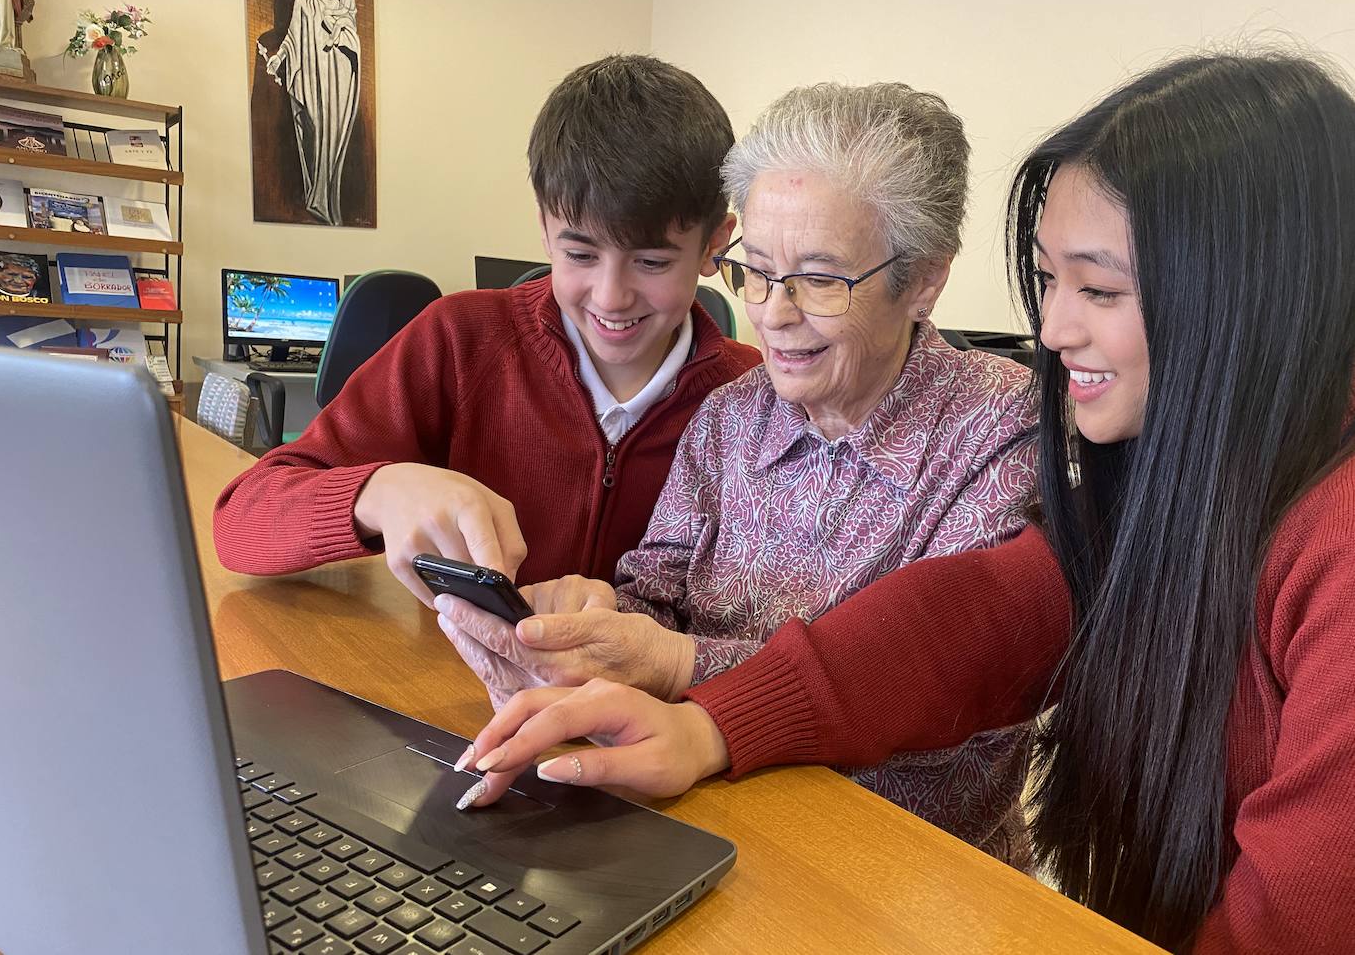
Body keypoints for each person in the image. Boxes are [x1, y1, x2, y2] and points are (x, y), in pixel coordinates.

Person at [455, 53, 1355, 954]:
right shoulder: (1167, 478)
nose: (1052, 329)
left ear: (1256, 297)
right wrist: (706, 722)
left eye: (1102, 289)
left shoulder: (1321, 535)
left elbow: (1289, 914)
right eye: (1049, 280)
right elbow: (966, 623)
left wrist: (687, 682)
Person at [438, 82, 1039, 864]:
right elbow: (658, 597)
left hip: (904, 872)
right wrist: (601, 613)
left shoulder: (1000, 429)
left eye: (820, 279)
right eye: (753, 270)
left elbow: (937, 703)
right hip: (707, 830)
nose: (773, 312)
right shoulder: (729, 416)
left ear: (923, 279)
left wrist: (674, 664)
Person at [214, 55, 761, 602]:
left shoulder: (759, 399)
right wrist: (378, 491)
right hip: (448, 681)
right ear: (545, 228)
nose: (611, 297)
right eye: (580, 253)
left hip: (651, 686)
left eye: (652, 262)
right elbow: (241, 520)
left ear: (715, 242)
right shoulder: (460, 341)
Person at [260, 0, 360, 226]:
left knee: (330, 133)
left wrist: (340, 35)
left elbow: (352, 39)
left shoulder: (341, 3)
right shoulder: (303, 1)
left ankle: (326, 197)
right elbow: (292, 35)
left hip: (334, 79)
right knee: (312, 131)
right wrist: (279, 57)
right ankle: (314, 195)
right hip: (310, 77)